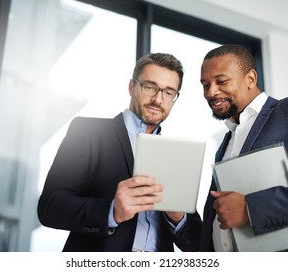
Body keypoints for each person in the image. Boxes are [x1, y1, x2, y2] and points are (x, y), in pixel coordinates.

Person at [37, 52, 202, 252]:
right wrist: (112, 210)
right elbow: (49, 208)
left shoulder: (177, 156)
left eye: (168, 92)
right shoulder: (88, 132)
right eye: (150, 87)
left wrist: (178, 217)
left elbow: (195, 242)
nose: (158, 99)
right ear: (132, 87)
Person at [199, 44, 288, 252]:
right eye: (205, 85)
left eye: (222, 81)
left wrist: (249, 209)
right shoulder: (226, 140)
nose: (211, 92)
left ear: (251, 79)